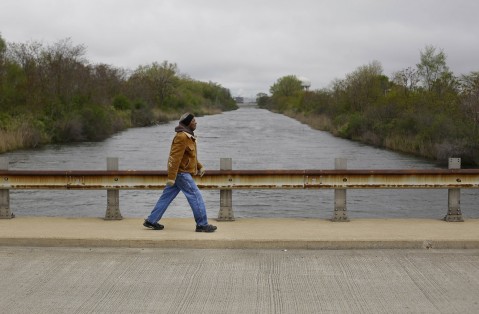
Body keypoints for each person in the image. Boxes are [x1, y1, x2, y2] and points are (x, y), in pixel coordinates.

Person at [143, 113, 217, 232]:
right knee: (196, 196)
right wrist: (171, 177)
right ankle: (202, 224)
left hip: (180, 173)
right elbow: (174, 157)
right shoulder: (182, 137)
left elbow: (189, 156)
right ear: (188, 123)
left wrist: (200, 166)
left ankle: (151, 220)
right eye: (193, 121)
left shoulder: (188, 136)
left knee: (166, 197)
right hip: (181, 174)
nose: (196, 122)